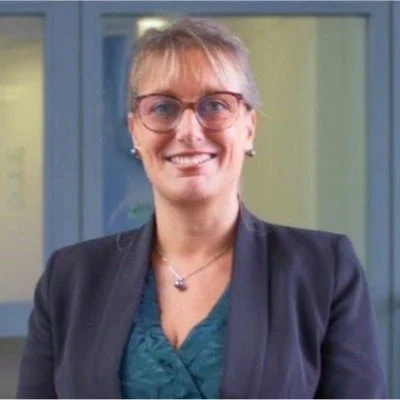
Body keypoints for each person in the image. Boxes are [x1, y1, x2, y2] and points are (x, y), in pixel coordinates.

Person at [17, 18, 387, 399]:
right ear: (135, 131)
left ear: (249, 128)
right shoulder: (71, 280)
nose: (189, 131)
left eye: (215, 105)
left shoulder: (323, 272)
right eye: (162, 108)